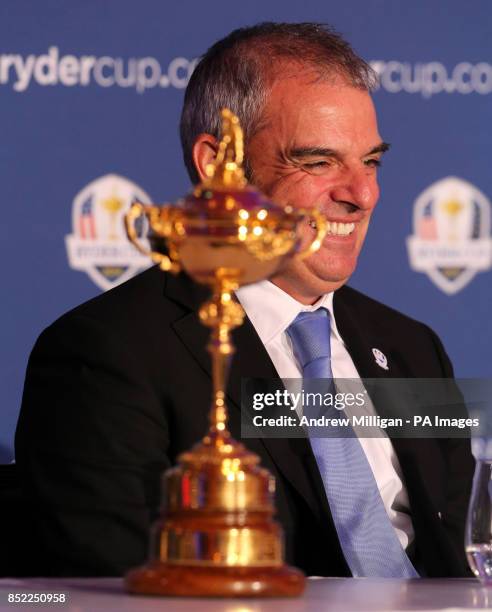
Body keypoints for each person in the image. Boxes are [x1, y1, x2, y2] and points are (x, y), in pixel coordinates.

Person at [15, 22, 474, 578]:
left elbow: (463, 547)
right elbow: (114, 583)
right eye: (318, 161)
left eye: (371, 161)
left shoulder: (413, 347)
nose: (363, 194)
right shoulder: (106, 354)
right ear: (218, 166)